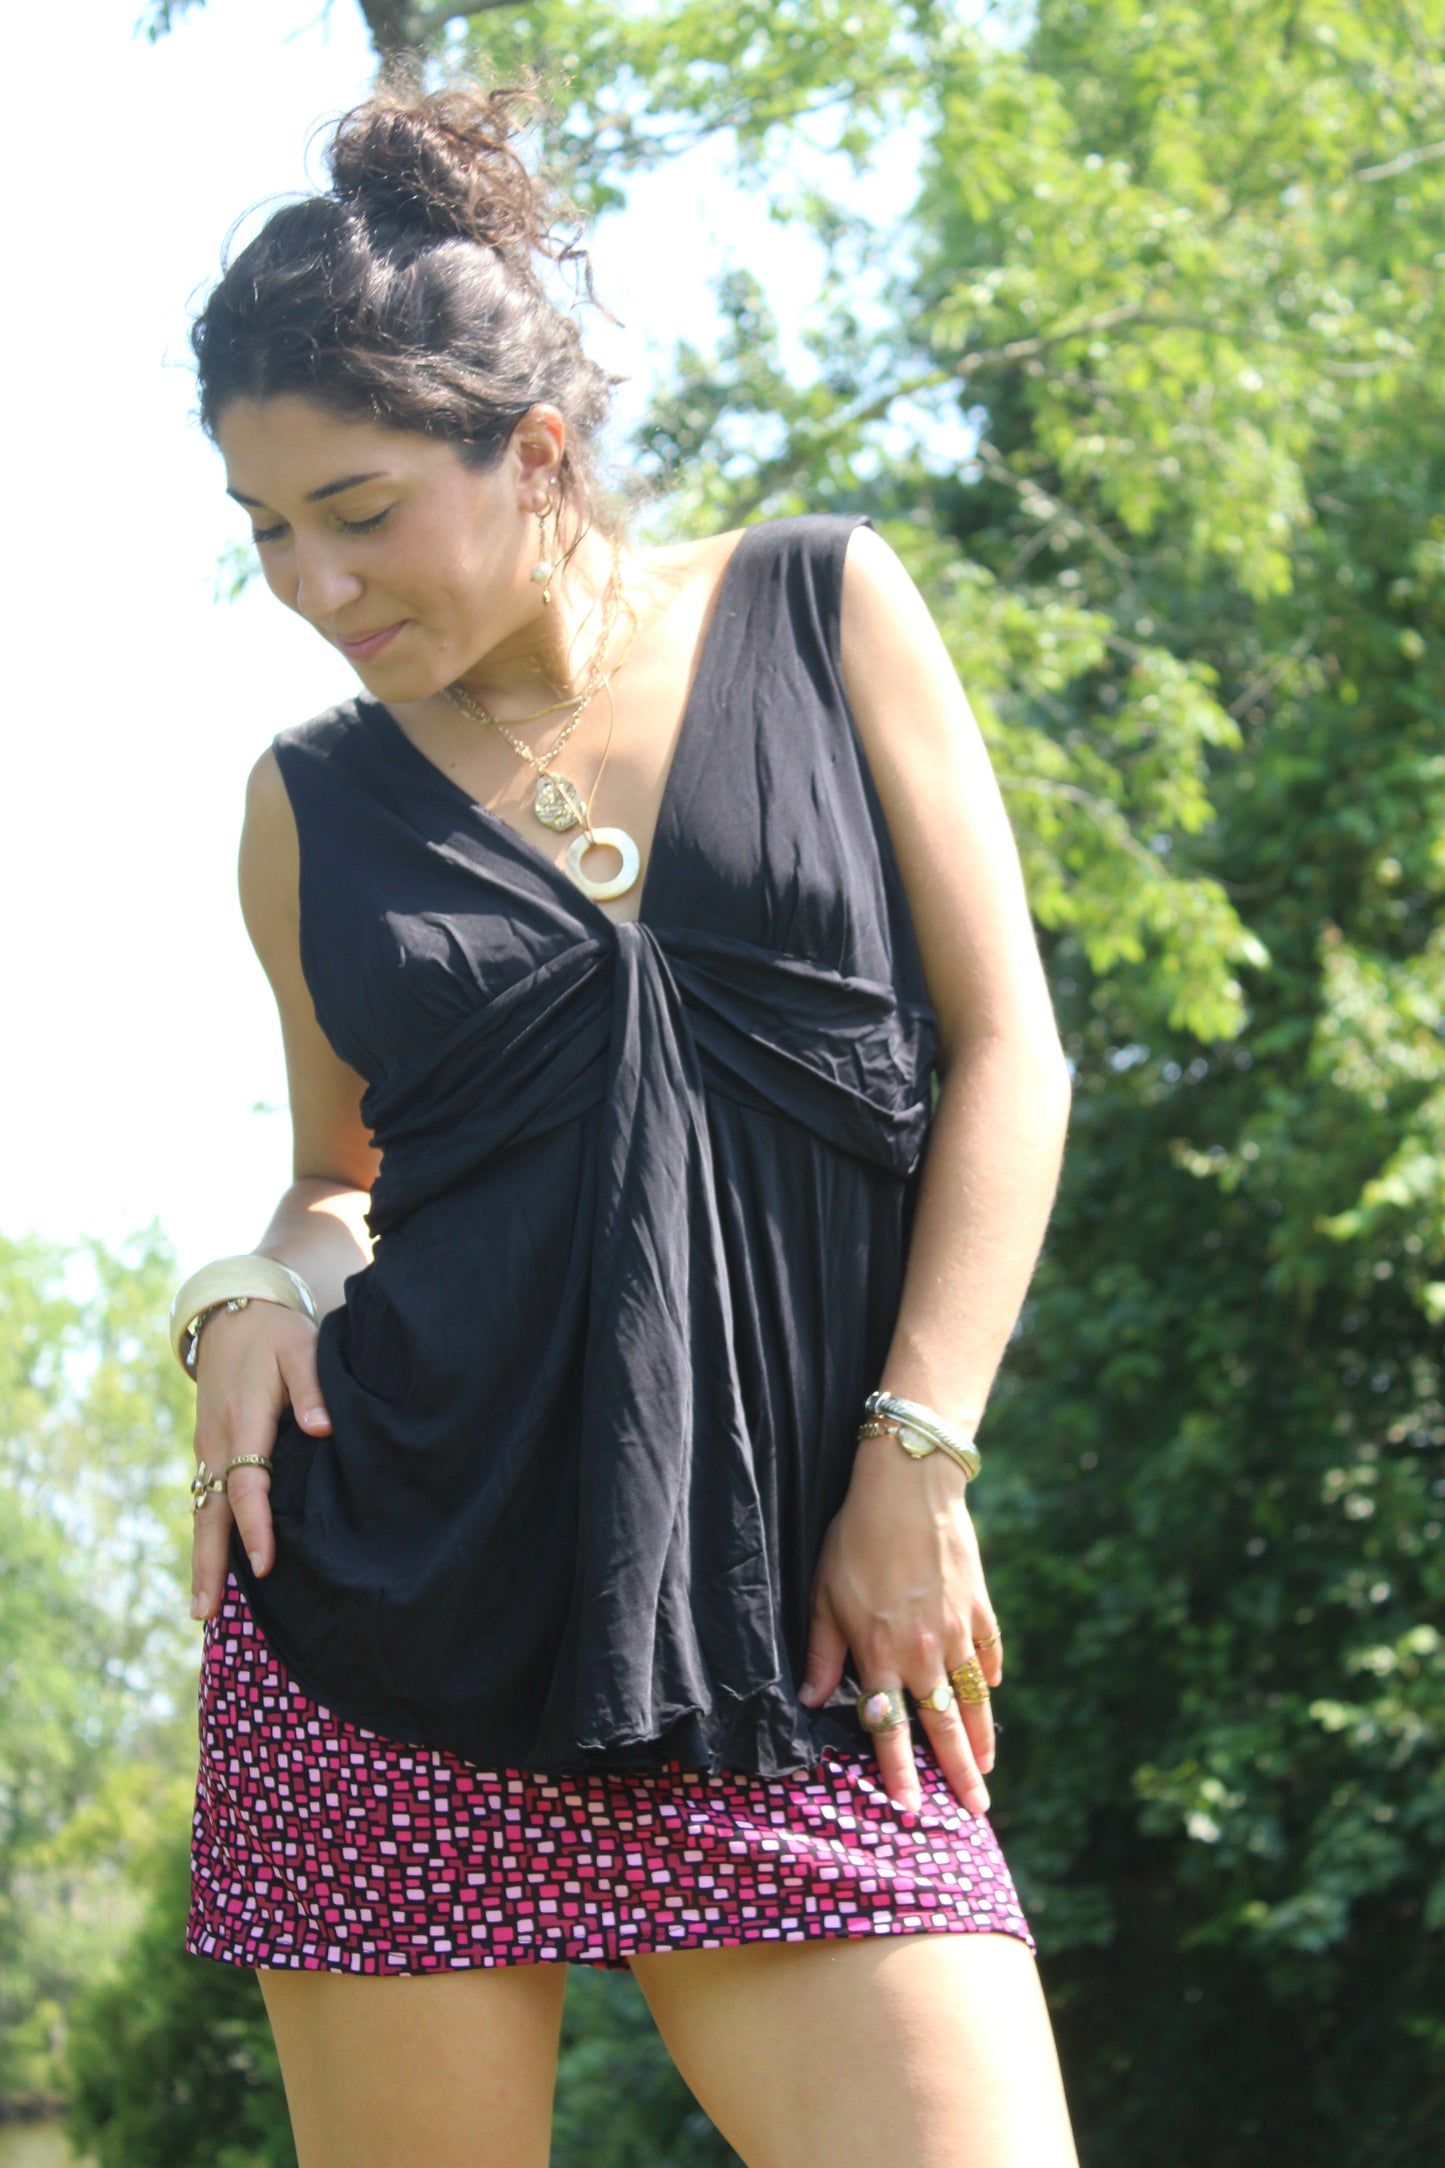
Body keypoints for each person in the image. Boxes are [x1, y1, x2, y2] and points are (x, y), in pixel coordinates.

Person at [172, 77, 1080, 2168]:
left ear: (536, 451)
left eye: (359, 508)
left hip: (800, 1637)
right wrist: (253, 1286)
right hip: (392, 1641)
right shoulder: (307, 807)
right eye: (267, 527)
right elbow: (337, 1181)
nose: (313, 581)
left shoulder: (824, 609)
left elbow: (1009, 1049)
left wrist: (916, 1454)